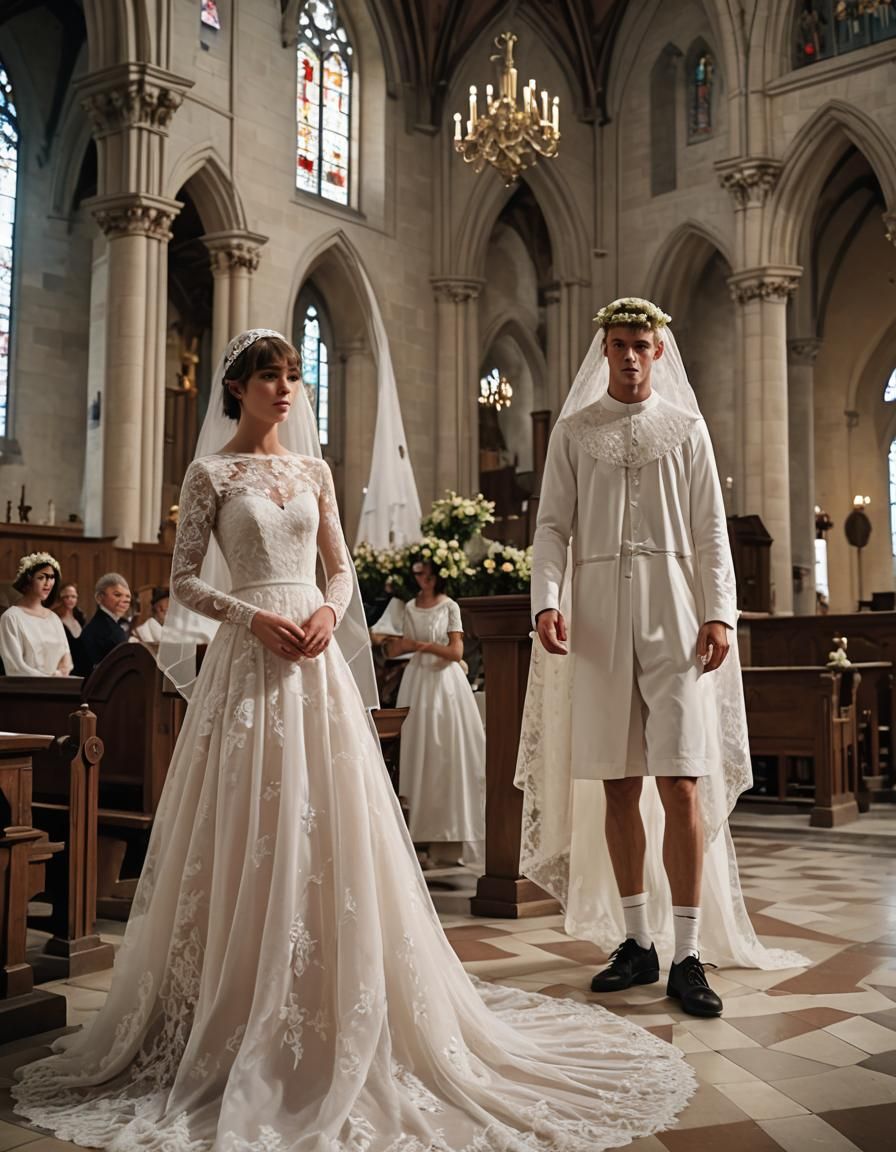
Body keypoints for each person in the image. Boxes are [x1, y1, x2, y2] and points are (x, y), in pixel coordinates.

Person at [13, 328, 697, 1150]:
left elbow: (341, 569)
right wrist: (252, 617)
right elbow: (185, 579)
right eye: (271, 376)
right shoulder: (210, 474)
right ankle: (232, 1006)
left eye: (293, 376)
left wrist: (328, 612)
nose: (286, 388)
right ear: (236, 388)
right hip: (248, 663)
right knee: (249, 824)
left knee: (331, 820)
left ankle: (337, 995)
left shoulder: (314, 471)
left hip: (313, 662)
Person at [516, 298, 806, 1020]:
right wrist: (545, 600)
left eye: (641, 344)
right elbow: (551, 527)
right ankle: (638, 941)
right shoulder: (574, 432)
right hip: (596, 620)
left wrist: (718, 613)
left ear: (659, 352)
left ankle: (687, 954)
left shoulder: (687, 430)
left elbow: (712, 531)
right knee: (617, 784)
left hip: (675, 616)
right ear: (604, 351)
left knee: (680, 781)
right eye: (618, 344)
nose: (629, 355)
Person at [386, 558, 485, 867]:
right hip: (417, 680)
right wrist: (401, 645)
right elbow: (401, 645)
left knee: (446, 750)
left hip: (445, 683)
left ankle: (450, 834)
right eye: (418, 573)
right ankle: (417, 834)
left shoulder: (450, 606)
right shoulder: (409, 606)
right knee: (418, 748)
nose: (423, 578)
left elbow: (456, 651)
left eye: (428, 573)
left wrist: (421, 645)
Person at [0, 551, 72, 676]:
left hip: (58, 685)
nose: (48, 583)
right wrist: (48, 679)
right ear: (28, 579)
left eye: (52, 577)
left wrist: (60, 674)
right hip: (28, 686)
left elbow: (66, 657)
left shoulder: (54, 618)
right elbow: (15, 666)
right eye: (41, 577)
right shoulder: (11, 618)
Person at [78, 573, 131, 674]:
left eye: (127, 596)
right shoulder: (99, 628)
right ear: (99, 597)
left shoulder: (113, 624)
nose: (125, 600)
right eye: (117, 595)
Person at [54, 582, 87, 670]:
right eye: (66, 597)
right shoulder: (55, 618)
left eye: (73, 596)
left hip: (83, 665)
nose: (70, 599)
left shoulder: (80, 617)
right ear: (60, 598)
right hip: (67, 666)